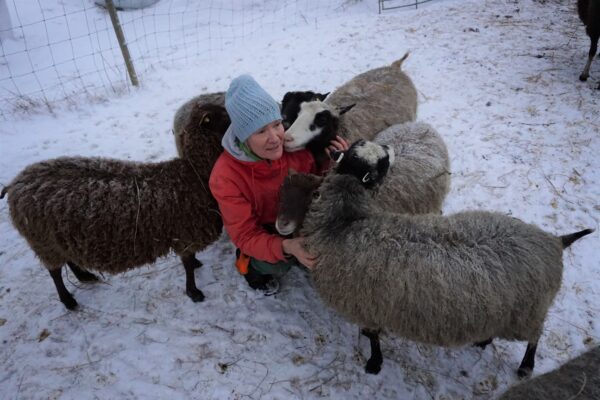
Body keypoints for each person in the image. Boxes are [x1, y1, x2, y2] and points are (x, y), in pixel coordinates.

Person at [209, 74, 348, 295]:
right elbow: (244, 234)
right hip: (264, 228)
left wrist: (334, 162)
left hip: (294, 214)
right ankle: (251, 269)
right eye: (261, 131)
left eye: (276, 125)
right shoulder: (226, 177)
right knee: (278, 263)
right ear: (244, 137)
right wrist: (285, 246)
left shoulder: (291, 147)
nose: (275, 137)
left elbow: (313, 178)